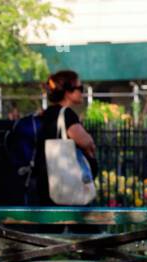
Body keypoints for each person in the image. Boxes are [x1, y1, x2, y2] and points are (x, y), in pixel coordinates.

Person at [32, 69, 97, 205]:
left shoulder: (46, 114)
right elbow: (86, 142)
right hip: (65, 186)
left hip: (44, 183)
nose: (82, 92)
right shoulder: (66, 114)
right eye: (79, 88)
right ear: (68, 92)